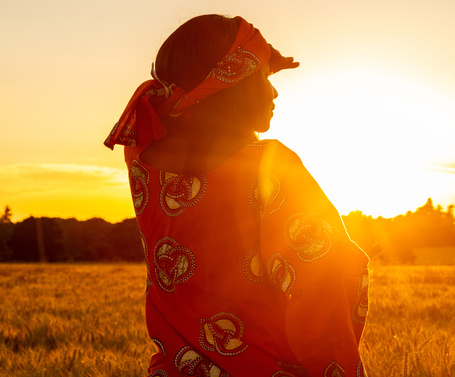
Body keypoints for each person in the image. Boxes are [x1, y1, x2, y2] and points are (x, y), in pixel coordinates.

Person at [103, 14, 369, 377]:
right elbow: (329, 275)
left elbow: (193, 98)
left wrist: (256, 61)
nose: (274, 91)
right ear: (233, 81)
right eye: (262, 76)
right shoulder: (270, 168)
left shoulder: (139, 157)